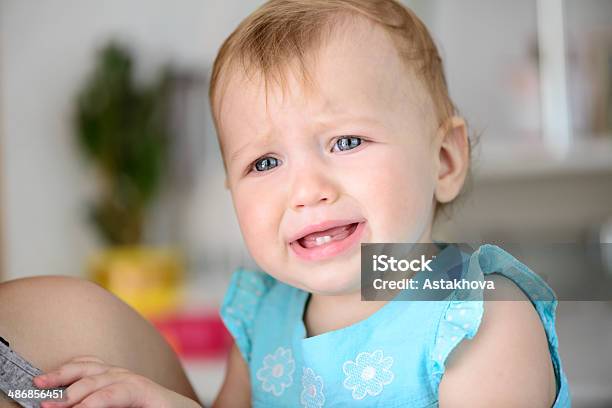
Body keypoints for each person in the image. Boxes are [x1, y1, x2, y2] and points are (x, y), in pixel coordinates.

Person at [0, 0, 570, 407]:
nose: (305, 190)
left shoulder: (481, 317)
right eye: (264, 164)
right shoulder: (262, 313)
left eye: (346, 142)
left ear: (444, 160)